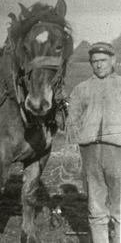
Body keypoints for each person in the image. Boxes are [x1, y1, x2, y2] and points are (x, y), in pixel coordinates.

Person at [66, 42, 121, 243]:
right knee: (95, 204)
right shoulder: (81, 89)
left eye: (103, 60)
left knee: (120, 203)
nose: (99, 65)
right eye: (95, 61)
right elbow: (71, 120)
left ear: (113, 61)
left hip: (118, 151)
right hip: (90, 152)